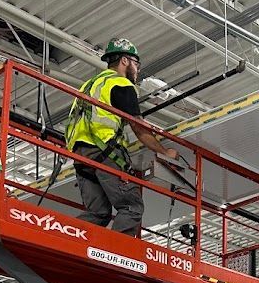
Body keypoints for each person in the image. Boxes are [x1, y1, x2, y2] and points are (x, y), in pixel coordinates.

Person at [65, 38, 183, 236]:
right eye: (136, 64)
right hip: (104, 151)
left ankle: (67, 237)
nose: (137, 70)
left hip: (80, 155)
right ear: (125, 61)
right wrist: (164, 152)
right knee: (132, 207)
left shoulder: (89, 85)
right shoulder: (119, 83)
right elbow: (138, 127)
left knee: (98, 213)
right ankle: (115, 253)